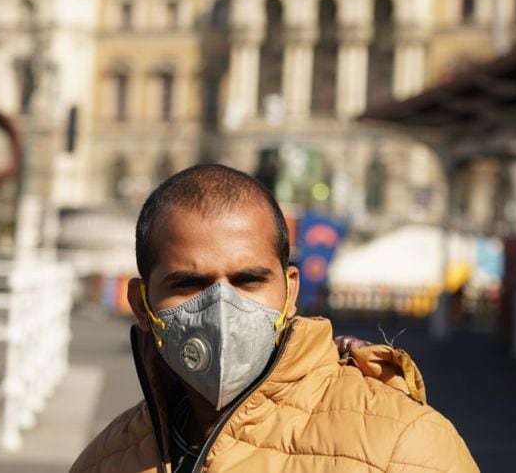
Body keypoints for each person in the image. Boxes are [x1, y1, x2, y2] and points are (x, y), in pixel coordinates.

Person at [71, 164, 479, 473]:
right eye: (190, 284)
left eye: (248, 280)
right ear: (142, 306)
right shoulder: (106, 461)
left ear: (291, 292)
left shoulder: (404, 446)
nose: (222, 309)